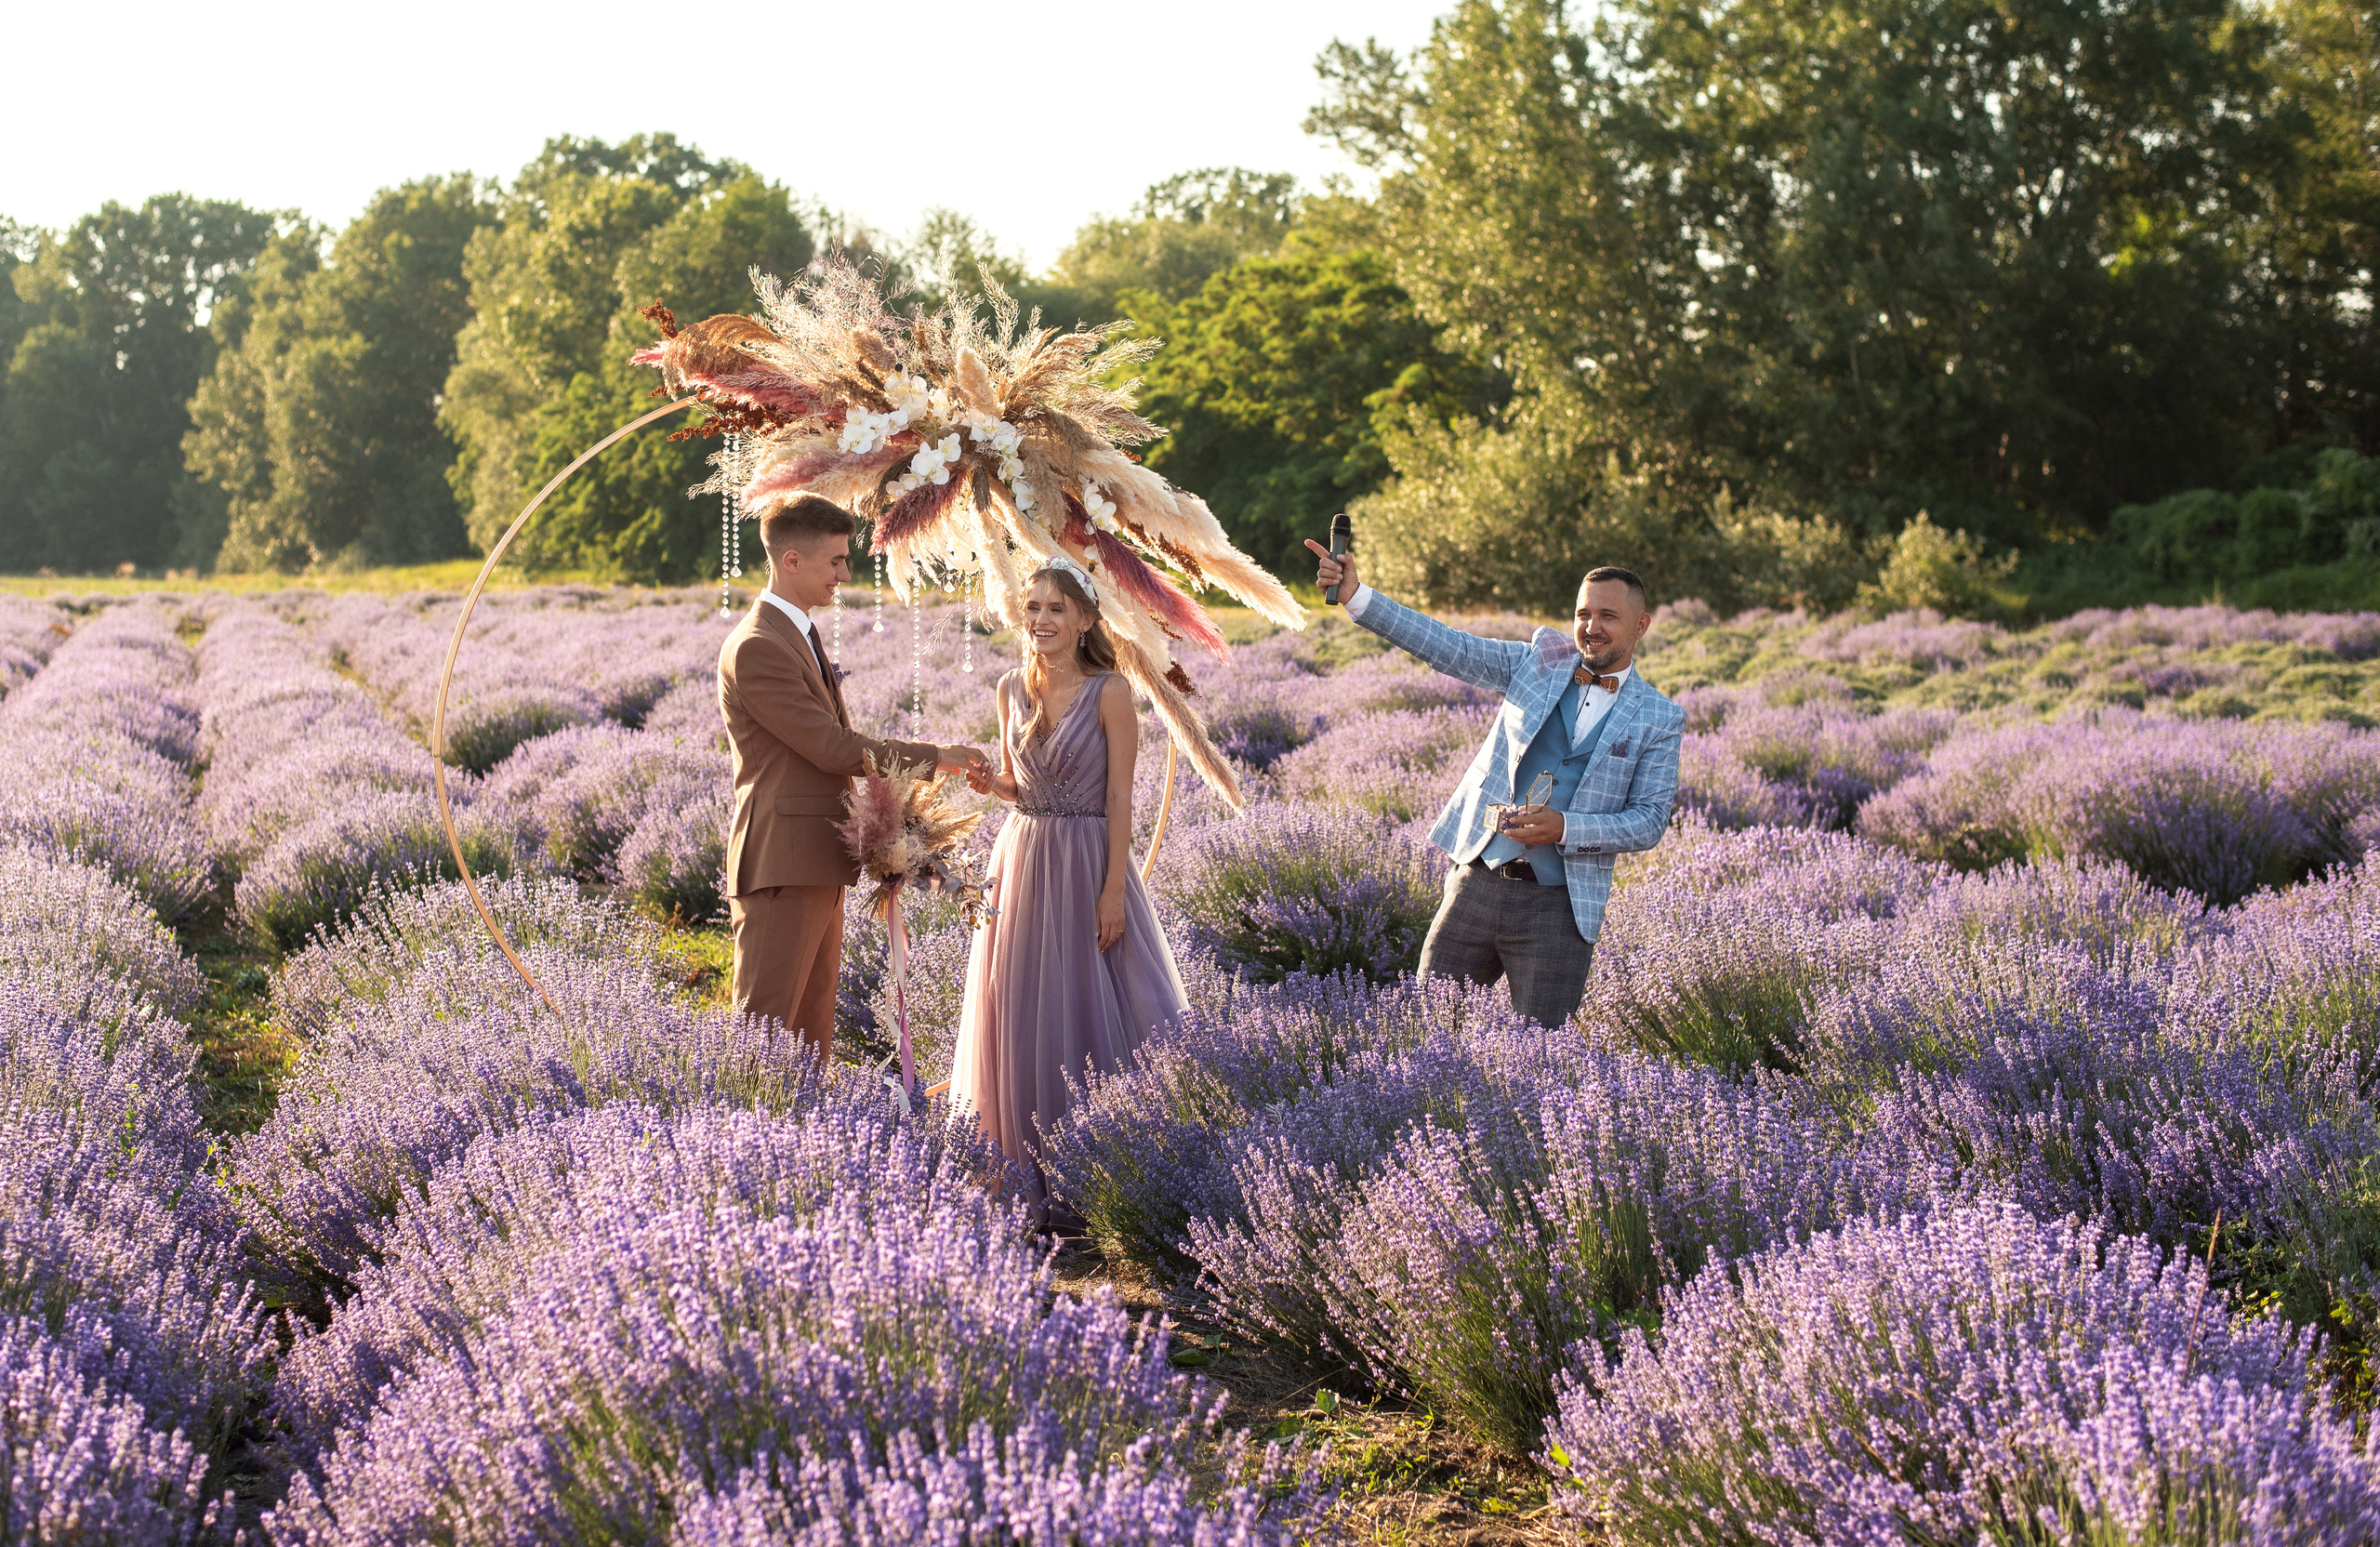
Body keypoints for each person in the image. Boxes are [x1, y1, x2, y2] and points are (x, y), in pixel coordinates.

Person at [1304, 535, 1685, 1028]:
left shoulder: (1660, 716)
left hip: (1561, 909)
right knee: (1428, 1033)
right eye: (1583, 614)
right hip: (1476, 884)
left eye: (1608, 617)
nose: (1591, 628)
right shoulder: (1538, 661)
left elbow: (1649, 821)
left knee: (1544, 1057)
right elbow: (1448, 647)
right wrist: (1359, 597)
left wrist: (1565, 828)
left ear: (1641, 625)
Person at [950, 553, 1187, 1214]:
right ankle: (1023, 1169)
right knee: (1021, 1001)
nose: (1043, 620)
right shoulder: (1008, 689)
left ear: (1085, 620)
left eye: (1057, 609)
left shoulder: (1110, 691)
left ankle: (1109, 1173)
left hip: (1088, 860)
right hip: (1022, 859)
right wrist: (985, 783)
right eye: (1033, 608)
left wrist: (1115, 889)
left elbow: (1119, 798)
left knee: (1089, 1000)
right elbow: (1017, 786)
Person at [719, 495, 985, 1060]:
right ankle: (736, 1141)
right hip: (782, 866)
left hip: (816, 862)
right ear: (791, 561)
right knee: (762, 1043)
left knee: (810, 1044)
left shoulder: (798, 634)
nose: (846, 574)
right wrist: (937, 758)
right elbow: (830, 747)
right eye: (836, 561)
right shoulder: (759, 647)